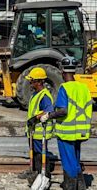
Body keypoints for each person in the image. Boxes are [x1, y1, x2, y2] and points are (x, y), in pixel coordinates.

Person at [38, 56, 92, 190]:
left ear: (62, 73)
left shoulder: (64, 88)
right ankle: (81, 185)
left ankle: (70, 185)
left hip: (67, 132)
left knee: (68, 161)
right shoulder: (84, 87)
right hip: (81, 131)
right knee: (75, 158)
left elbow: (63, 111)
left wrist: (48, 115)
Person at [19, 67, 54, 182]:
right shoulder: (36, 94)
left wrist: (35, 118)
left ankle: (43, 175)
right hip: (33, 130)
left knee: (40, 154)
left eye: (32, 80)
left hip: (40, 131)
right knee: (35, 152)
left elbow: (48, 111)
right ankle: (35, 172)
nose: (30, 82)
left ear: (39, 81)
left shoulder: (44, 95)